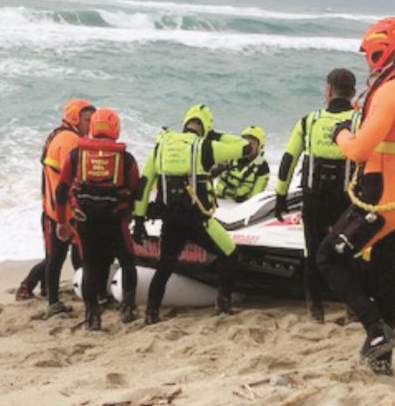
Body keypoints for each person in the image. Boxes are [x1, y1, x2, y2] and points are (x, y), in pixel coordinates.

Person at [317, 17, 395, 375]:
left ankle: (375, 333)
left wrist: (340, 132)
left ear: (379, 50)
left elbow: (357, 149)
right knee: (385, 277)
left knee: (329, 257)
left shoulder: (391, 90)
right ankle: (382, 361)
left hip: (384, 198)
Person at [132, 104, 256, 324]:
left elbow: (143, 186)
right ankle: (223, 303)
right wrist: (215, 135)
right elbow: (246, 148)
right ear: (206, 126)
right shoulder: (205, 147)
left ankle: (151, 313)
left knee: (164, 267)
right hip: (199, 221)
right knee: (229, 254)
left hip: (170, 220)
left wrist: (139, 219)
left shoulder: (161, 146)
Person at [274, 68, 358, 323]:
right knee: (347, 251)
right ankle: (352, 308)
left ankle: (315, 311)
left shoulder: (308, 122)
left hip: (314, 198)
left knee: (312, 252)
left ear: (328, 91)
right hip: (348, 200)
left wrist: (280, 194)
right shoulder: (360, 121)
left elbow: (288, 159)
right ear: (353, 93)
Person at [53, 108, 139, 330]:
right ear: (115, 129)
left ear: (92, 128)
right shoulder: (126, 158)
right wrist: (131, 217)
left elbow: (61, 191)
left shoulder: (75, 155)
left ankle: (92, 316)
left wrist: (62, 221)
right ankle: (128, 309)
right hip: (115, 222)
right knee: (128, 262)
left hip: (86, 222)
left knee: (90, 266)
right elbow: (135, 192)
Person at [16, 100, 95, 318]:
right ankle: (50, 300)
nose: (90, 125)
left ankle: (40, 288)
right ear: (74, 118)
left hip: (57, 208)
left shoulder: (61, 135)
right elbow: (74, 178)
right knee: (57, 257)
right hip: (60, 211)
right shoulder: (69, 140)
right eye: (87, 120)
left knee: (65, 255)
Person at [213, 126, 270, 202]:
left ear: (259, 146)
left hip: (240, 206)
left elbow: (255, 197)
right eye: (245, 141)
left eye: (252, 143)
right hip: (218, 200)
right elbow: (208, 175)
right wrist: (217, 169)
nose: (248, 146)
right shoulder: (229, 156)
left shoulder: (262, 167)